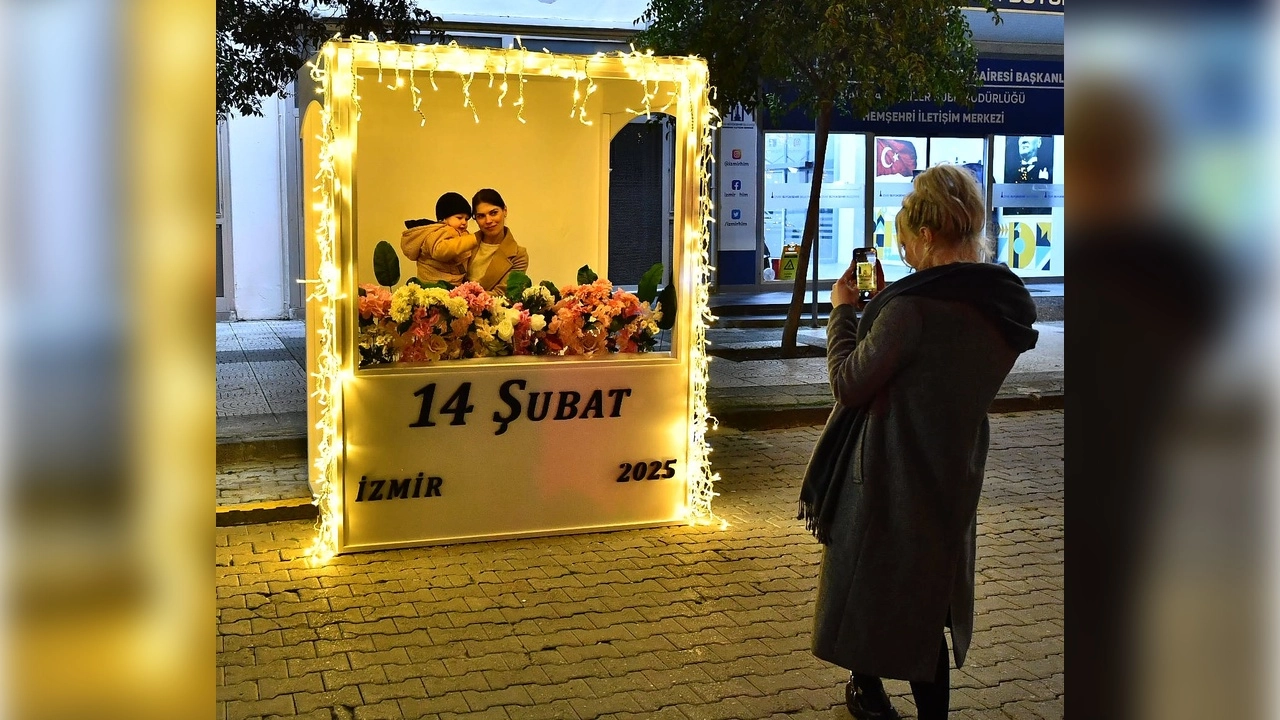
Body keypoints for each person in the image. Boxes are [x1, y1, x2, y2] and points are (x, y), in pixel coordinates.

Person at [798, 164, 1039, 719]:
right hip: (953, 464)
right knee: (929, 591)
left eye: (906, 236)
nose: (902, 247)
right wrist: (884, 317)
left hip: (890, 465)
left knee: (874, 579)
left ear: (927, 235)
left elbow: (849, 382)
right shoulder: (997, 303)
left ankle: (869, 693)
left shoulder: (909, 309)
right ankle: (915, 709)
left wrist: (844, 315)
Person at [401, 192, 479, 286]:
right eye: (459, 218)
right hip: (433, 285)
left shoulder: (462, 234)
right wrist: (473, 239)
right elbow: (440, 250)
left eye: (466, 219)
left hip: (453, 285)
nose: (464, 222)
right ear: (443, 219)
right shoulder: (439, 232)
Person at [468, 188, 530, 293]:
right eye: (481, 216)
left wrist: (469, 300)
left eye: (493, 213)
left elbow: (503, 293)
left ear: (505, 211)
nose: (488, 221)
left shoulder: (518, 255)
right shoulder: (464, 244)